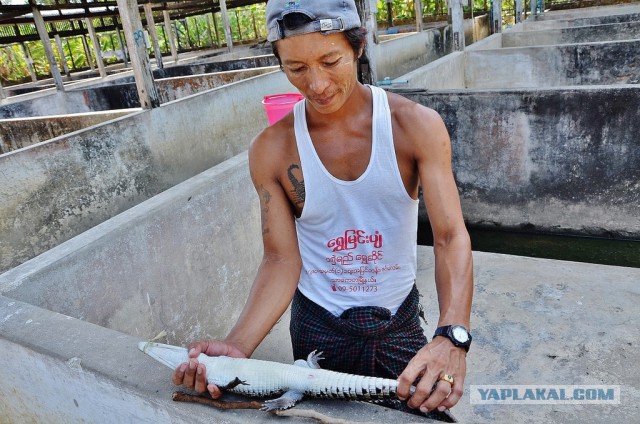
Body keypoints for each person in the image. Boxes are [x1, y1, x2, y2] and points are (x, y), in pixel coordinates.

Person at [172, 0, 473, 415]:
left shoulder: (414, 126)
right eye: (296, 69)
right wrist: (237, 346)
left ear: (358, 46)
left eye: (330, 60)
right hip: (317, 327)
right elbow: (280, 259)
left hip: (397, 321)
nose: (316, 84)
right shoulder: (271, 150)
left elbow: (450, 236)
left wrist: (451, 337)